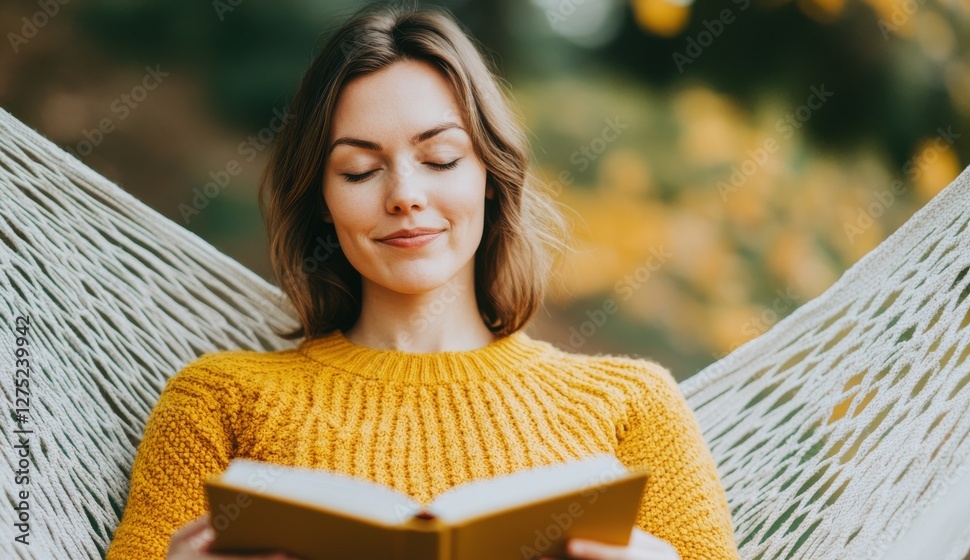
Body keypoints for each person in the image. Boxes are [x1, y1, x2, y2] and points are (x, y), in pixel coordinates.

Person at [105, 2, 740, 559]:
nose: (406, 196)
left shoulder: (630, 408)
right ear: (322, 199)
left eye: (440, 158)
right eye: (358, 171)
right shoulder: (219, 403)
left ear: (489, 175)